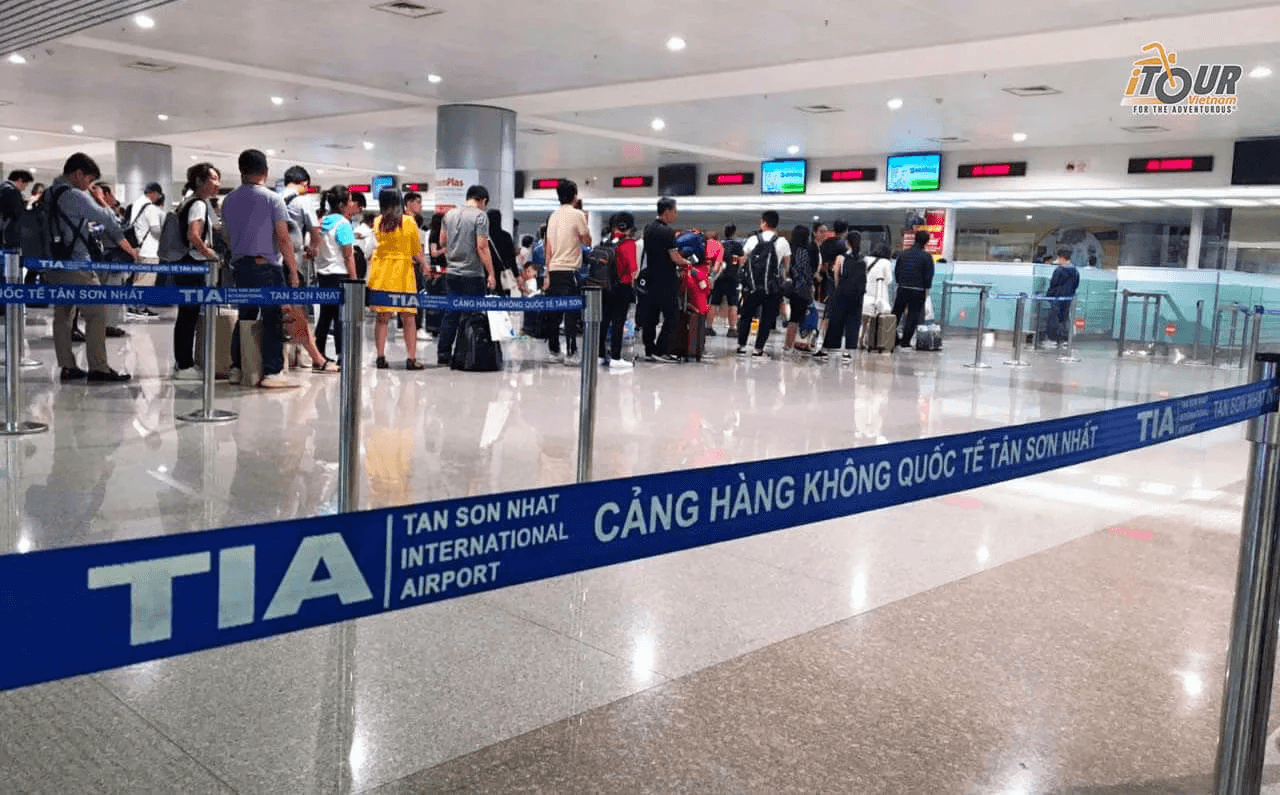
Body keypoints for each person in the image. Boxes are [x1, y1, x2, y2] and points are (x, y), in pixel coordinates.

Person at [45, 153, 138, 382]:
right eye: (89, 180)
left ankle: (67, 366)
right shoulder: (74, 195)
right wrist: (100, 199)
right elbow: (109, 220)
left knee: (63, 314)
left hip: (52, 263)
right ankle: (99, 367)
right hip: (77, 264)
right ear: (77, 175)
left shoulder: (49, 193)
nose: (90, 186)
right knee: (97, 313)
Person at [223, 148, 301, 389]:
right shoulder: (272, 198)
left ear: (241, 171)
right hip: (266, 265)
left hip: (240, 265)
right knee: (272, 317)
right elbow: (283, 237)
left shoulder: (229, 200)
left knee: (245, 314)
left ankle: (237, 367)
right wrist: (293, 271)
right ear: (265, 172)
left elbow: (226, 234)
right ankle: (272, 371)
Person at [172, 163, 222, 381]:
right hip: (193, 264)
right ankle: (184, 364)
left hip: (184, 263)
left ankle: (182, 362)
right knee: (188, 315)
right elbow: (194, 235)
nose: (217, 183)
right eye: (213, 178)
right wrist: (209, 252)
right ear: (200, 181)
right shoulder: (198, 204)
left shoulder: (187, 202)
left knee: (186, 315)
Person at [437, 185, 497, 366]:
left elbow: (442, 241)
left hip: (452, 273)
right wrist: (491, 273)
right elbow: (482, 247)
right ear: (483, 200)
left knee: (451, 313)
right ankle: (465, 352)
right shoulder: (480, 216)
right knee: (472, 314)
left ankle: (443, 353)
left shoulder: (449, 215)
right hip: (473, 274)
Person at [367, 189, 426, 370]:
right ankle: (411, 358)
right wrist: (425, 265)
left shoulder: (378, 222)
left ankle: (380, 356)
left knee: (382, 317)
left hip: (382, 271)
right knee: (409, 317)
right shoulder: (409, 222)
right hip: (403, 271)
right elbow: (416, 250)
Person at [640, 197, 693, 362]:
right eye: (674, 211)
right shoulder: (666, 232)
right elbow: (675, 257)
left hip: (650, 277)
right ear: (667, 211)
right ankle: (661, 350)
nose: (675, 215)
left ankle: (649, 350)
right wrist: (687, 262)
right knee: (672, 315)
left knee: (651, 316)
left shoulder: (648, 229)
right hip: (666, 279)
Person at [543, 180, 591, 363]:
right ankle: (571, 352)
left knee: (554, 313)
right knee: (571, 313)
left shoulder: (553, 216)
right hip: (570, 270)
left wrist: (547, 273)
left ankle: (553, 351)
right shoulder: (577, 214)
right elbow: (587, 240)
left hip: (554, 270)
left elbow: (548, 248)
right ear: (575, 196)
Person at [313, 185, 360, 365]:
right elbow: (348, 255)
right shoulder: (343, 224)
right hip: (340, 274)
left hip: (323, 275)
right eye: (349, 200)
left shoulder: (321, 222)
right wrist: (354, 280)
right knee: (341, 317)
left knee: (325, 317)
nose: (351, 203)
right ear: (341, 204)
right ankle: (343, 355)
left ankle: (319, 354)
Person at [736, 210, 790, 357]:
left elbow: (743, 260)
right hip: (772, 287)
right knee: (766, 318)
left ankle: (741, 346)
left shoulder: (753, 239)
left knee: (747, 315)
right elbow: (786, 266)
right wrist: (782, 279)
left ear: (764, 223)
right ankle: (758, 349)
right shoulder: (782, 242)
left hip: (753, 286)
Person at [815, 233, 872, 361]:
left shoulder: (841, 258)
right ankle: (848, 352)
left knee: (836, 320)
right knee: (853, 321)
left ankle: (830, 348)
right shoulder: (864, 259)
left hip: (842, 292)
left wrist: (837, 289)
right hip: (857, 295)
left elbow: (836, 275)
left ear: (848, 243)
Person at [599, 212, 639, 371]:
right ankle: (616, 357)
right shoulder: (629, 243)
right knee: (618, 323)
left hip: (604, 287)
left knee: (603, 322)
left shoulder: (605, 242)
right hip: (622, 287)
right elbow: (633, 270)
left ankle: (600, 355)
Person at [125, 181, 166, 318]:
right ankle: (139, 308)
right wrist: (166, 236)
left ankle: (133, 307)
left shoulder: (138, 204)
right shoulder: (150, 208)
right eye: (158, 195)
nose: (158, 198)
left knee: (139, 279)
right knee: (146, 281)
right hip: (150, 250)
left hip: (140, 248)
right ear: (153, 193)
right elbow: (155, 230)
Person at [892, 230, 935, 350]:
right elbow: (928, 275)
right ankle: (905, 341)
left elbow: (897, 270)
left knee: (896, 314)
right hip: (918, 289)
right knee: (913, 315)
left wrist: (900, 282)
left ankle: (892, 338)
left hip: (902, 287)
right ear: (926, 242)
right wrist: (926, 288)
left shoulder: (904, 253)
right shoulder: (926, 256)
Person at [280, 165, 319, 285]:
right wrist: (312, 248)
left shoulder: (274, 198)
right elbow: (315, 231)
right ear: (305, 183)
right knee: (296, 299)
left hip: (273, 260)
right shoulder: (304, 201)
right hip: (294, 261)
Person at [783, 225, 816, 354]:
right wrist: (810, 285)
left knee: (793, 318)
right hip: (802, 288)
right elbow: (807, 271)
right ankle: (795, 344)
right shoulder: (806, 251)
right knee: (800, 317)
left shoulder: (791, 249)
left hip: (792, 287)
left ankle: (788, 345)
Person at [709, 223, 742, 338]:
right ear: (734, 233)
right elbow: (741, 261)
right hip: (733, 277)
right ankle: (732, 329)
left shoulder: (719, 245)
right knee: (733, 304)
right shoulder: (738, 246)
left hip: (719, 277)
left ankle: (708, 327)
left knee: (713, 302)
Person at [1046, 249, 1080, 347]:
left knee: (1054, 318)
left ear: (1062, 258)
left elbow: (1053, 284)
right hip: (1068, 298)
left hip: (1057, 298)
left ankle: (1053, 339)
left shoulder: (1059, 270)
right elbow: (1076, 285)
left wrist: (1049, 296)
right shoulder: (1075, 271)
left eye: (1058, 257)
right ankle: (1065, 339)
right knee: (1064, 318)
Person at [487, 208, 519, 292]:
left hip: (487, 273)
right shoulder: (506, 236)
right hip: (503, 274)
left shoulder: (484, 237)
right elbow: (511, 258)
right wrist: (516, 274)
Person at [0, 169, 32, 250]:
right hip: (8, 235)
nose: (25, 187)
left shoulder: (2, 188)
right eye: (25, 184)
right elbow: (18, 213)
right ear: (20, 181)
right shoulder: (13, 192)